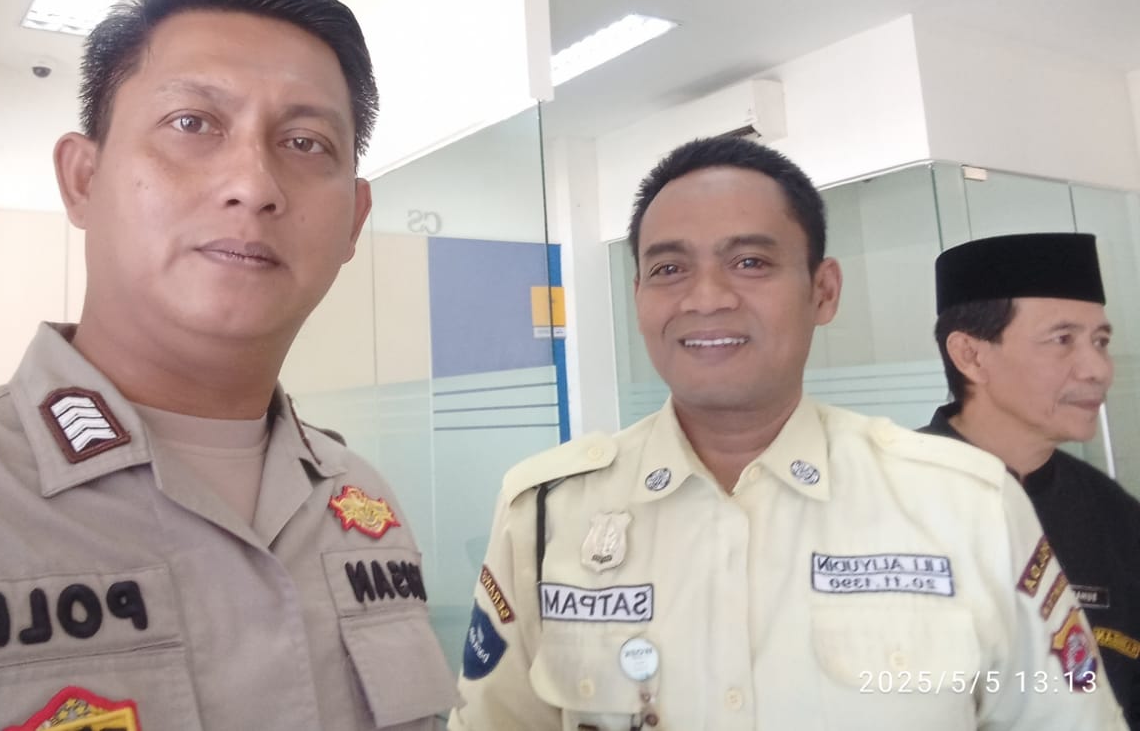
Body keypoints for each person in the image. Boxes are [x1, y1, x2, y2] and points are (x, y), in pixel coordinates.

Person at [0, 0, 457, 729]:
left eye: (306, 142)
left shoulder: (363, 505)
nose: (254, 185)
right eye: (192, 124)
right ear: (83, 179)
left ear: (354, 221)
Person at [447, 134, 1125, 730]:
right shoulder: (547, 512)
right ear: (639, 297)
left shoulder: (965, 502)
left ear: (822, 291)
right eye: (668, 268)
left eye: (750, 262)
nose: (705, 298)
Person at [921, 231, 1140, 728]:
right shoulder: (888, 497)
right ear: (971, 355)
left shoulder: (1113, 516)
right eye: (1062, 340)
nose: (1097, 369)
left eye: (1101, 342)